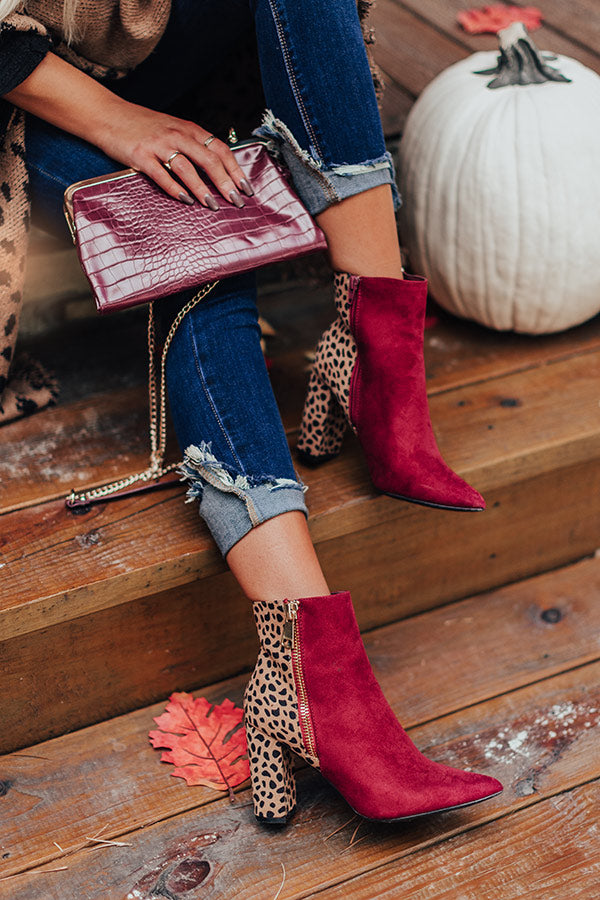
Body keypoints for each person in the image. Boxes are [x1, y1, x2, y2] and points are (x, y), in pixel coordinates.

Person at [0, 0, 501, 824]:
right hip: (27, 103)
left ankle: (375, 340)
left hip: (145, 54)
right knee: (200, 231)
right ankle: (312, 675)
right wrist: (125, 124)